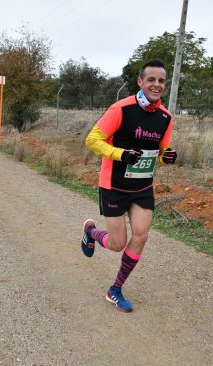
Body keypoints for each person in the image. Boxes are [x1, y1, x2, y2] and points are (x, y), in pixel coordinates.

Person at [80, 59, 177, 313]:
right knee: (116, 244)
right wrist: (120, 154)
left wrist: (165, 158)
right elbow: (93, 139)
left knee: (142, 235)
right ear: (140, 82)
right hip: (114, 185)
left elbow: (160, 151)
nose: (156, 85)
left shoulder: (165, 118)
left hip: (142, 187)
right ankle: (91, 233)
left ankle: (115, 289)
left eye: (161, 81)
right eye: (151, 80)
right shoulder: (121, 109)